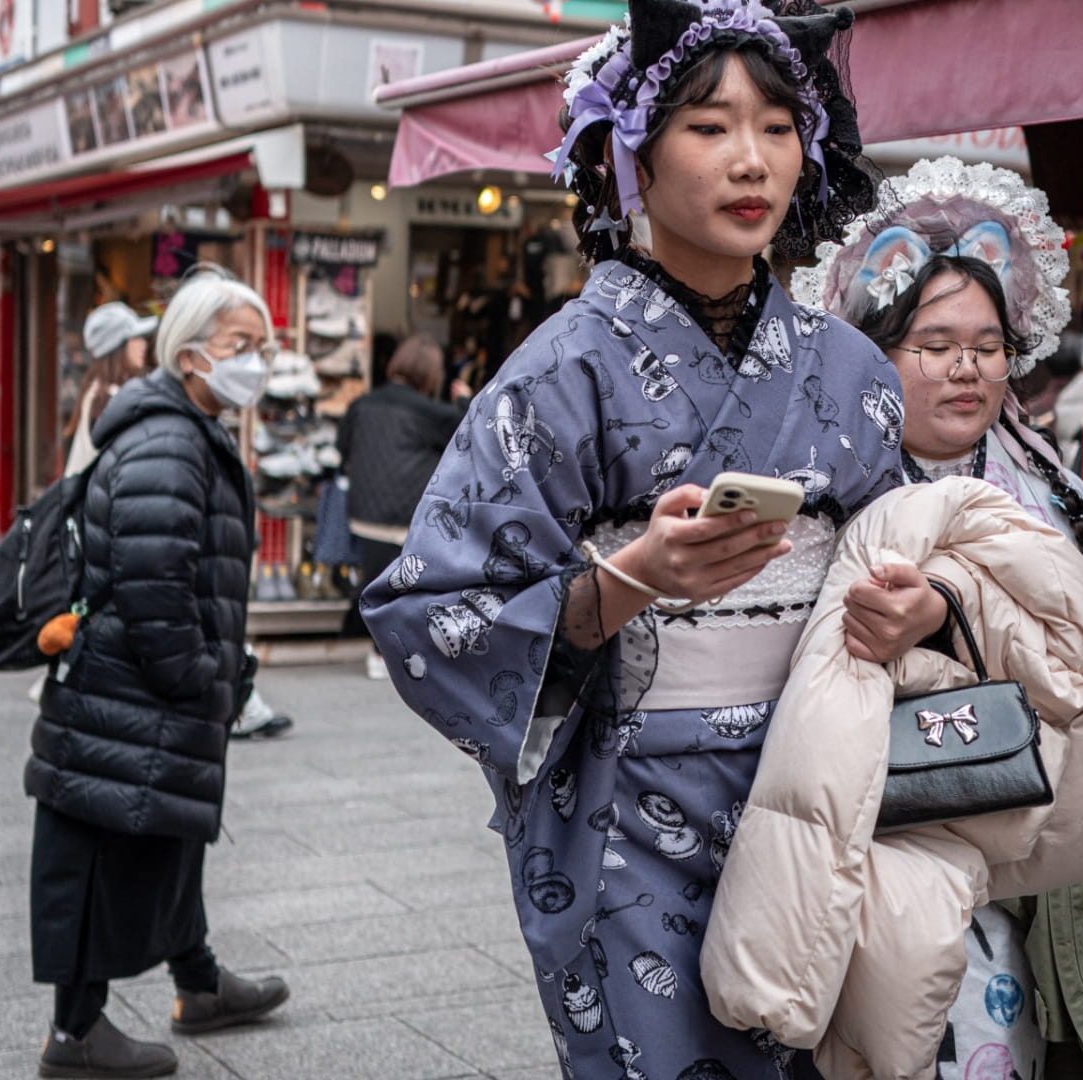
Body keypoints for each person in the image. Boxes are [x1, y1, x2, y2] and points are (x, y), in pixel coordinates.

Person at [361, 0, 913, 1073]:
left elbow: (924, 557)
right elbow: (426, 612)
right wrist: (621, 584)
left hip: (826, 787)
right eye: (709, 126)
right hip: (630, 815)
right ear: (635, 159)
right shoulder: (561, 372)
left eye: (778, 125)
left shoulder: (856, 376)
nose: (752, 159)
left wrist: (920, 609)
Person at [794, 155, 1083, 1080]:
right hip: (901, 833)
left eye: (988, 345)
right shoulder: (830, 484)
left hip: (1054, 829)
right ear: (877, 351)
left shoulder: (1046, 481)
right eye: (936, 343)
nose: (967, 369)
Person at [27, 267, 290, 1079]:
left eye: (264, 347)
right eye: (240, 346)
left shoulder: (187, 426)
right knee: (106, 856)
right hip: (127, 699)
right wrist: (204, 674)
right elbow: (153, 590)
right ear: (188, 354)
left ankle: (199, 984)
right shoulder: (169, 442)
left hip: (142, 697)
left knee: (168, 839)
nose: (257, 362)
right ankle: (75, 1035)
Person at [337, 333, 465, 678]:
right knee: (410, 585)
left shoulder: (362, 404)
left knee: (378, 580)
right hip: (406, 515)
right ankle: (396, 652)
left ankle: (379, 650)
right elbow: (468, 437)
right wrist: (464, 400)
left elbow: (342, 446)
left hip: (364, 512)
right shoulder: (432, 413)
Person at [63, 299, 156, 476]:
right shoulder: (107, 399)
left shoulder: (100, 391)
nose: (143, 343)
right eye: (135, 337)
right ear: (117, 346)